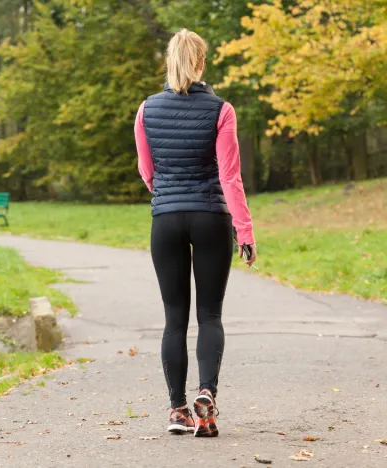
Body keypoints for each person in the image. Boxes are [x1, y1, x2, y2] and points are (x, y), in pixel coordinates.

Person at [134, 29, 257, 438]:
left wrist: (169, 197)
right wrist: (245, 230)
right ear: (201, 62)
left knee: (174, 320)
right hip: (210, 217)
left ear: (168, 62)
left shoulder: (146, 110)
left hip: (165, 220)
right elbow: (230, 176)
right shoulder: (221, 110)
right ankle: (207, 397)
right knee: (209, 315)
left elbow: (147, 172)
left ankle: (177, 410)